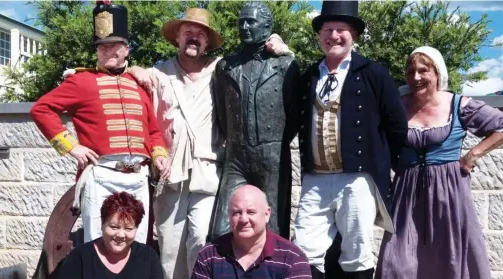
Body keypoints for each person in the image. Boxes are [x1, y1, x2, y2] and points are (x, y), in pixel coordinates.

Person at [128, 7, 293, 279]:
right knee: (168, 251)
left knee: (202, 241)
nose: (193, 38)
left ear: (207, 42)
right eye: (187, 33)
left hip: (207, 173)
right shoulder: (158, 74)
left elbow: (259, 59)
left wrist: (278, 41)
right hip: (171, 175)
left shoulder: (220, 68)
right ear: (177, 38)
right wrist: (134, 67)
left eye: (200, 35)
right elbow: (134, 84)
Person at [30, 1, 169, 244]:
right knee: (97, 245)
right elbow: (41, 109)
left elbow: (154, 131)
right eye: (102, 47)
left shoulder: (139, 84)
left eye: (115, 45)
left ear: (126, 49)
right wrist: (72, 147)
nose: (109, 51)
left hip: (138, 177)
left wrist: (158, 154)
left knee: (136, 246)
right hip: (101, 176)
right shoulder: (81, 81)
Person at [292, 1, 408, 278]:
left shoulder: (373, 73)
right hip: (315, 179)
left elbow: (396, 124)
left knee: (356, 252)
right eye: (328, 29)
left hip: (357, 179)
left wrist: (396, 167)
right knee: (304, 250)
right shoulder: (309, 75)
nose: (333, 36)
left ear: (353, 35)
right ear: (319, 35)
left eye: (340, 30)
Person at [375, 46, 503, 279]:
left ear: (438, 73)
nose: (415, 77)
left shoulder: (458, 105)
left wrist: (473, 154)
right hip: (407, 194)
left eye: (423, 71)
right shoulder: (397, 106)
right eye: (410, 71)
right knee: (399, 262)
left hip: (450, 193)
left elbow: (500, 126)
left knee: (450, 258)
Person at [209, 1, 300, 242]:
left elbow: (295, 115)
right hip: (236, 157)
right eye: (241, 22)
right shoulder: (225, 67)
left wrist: (274, 143)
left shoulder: (285, 65)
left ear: (267, 26)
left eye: (251, 21)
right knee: (221, 230)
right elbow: (221, 111)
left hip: (272, 156)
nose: (245, 27)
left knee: (273, 229)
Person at [191, 185, 311, 279]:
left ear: (267, 214)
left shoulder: (292, 258)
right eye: (236, 212)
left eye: (251, 212)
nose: (243, 219)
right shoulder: (209, 254)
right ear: (228, 216)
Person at [57, 191, 163, 279]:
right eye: (114, 227)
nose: (121, 235)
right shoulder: (79, 258)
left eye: (128, 228)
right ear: (102, 225)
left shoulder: (148, 257)